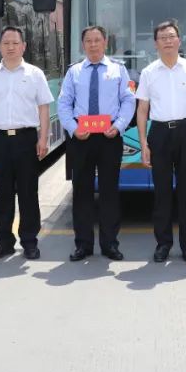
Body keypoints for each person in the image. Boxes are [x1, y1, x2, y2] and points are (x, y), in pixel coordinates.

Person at [57, 26, 136, 261]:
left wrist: (119, 126)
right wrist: (73, 129)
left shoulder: (118, 70)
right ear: (83, 45)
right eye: (89, 41)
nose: (93, 45)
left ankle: (110, 243)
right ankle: (83, 244)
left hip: (109, 136)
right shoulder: (74, 72)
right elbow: (64, 103)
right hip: (81, 137)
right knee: (82, 192)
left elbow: (128, 100)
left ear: (105, 43)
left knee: (109, 191)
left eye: (97, 40)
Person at [135, 20, 186, 263]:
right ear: (156, 43)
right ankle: (163, 244)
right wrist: (144, 143)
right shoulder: (148, 73)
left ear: (179, 40)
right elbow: (142, 110)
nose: (168, 41)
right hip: (159, 134)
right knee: (162, 193)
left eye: (171, 36)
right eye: (163, 38)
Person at [0, 26, 55, 261]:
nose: (10, 47)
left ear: (24, 46)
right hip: (0, 140)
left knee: (27, 193)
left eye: (15, 43)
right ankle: (4, 242)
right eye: (6, 43)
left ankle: (30, 241)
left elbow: (44, 108)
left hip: (26, 139)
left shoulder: (35, 74)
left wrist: (43, 138)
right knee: (2, 194)